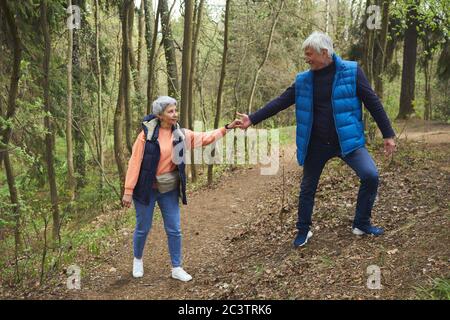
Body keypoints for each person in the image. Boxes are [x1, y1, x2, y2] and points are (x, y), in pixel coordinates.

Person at [236, 31, 397, 248]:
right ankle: (303, 230)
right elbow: (281, 101)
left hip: (347, 141)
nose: (306, 58)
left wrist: (388, 134)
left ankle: (361, 223)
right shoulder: (304, 80)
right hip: (316, 144)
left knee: (370, 175)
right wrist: (252, 119)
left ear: (324, 52)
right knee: (307, 188)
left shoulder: (351, 71)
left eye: (309, 54)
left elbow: (372, 102)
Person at [122, 96, 241, 281]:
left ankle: (176, 267)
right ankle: (137, 259)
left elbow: (205, 138)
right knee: (143, 227)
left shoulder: (181, 134)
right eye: (170, 111)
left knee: (174, 229)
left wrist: (227, 128)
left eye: (175, 110)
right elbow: (135, 162)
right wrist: (128, 191)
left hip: (168, 188)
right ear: (160, 115)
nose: (175, 114)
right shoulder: (146, 135)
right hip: (146, 188)